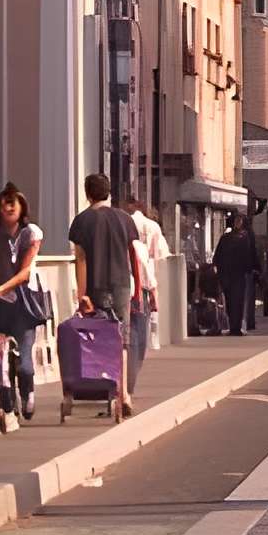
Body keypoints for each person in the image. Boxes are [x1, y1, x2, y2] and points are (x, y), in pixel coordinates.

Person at [68, 175, 141, 418]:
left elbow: (81, 260)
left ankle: (105, 388)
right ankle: (124, 394)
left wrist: (82, 295)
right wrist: (137, 288)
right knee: (121, 339)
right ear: (109, 192)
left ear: (87, 193)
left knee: (98, 339)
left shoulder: (81, 221)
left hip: (95, 287)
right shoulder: (125, 219)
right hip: (122, 284)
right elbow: (132, 255)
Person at [0, 184, 44, 431]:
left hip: (24, 303)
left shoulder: (31, 233)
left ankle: (28, 394)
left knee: (25, 362)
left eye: (12, 203)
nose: (8, 208)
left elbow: (25, 272)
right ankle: (8, 408)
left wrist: (3, 287)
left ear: (21, 207)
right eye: (3, 204)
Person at [125, 195, 173, 389]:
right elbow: (160, 255)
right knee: (138, 337)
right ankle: (130, 379)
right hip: (139, 291)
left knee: (122, 337)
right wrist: (154, 295)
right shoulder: (148, 233)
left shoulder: (117, 237)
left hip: (119, 290)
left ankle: (123, 379)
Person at [213, 215, 260, 335]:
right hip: (232, 274)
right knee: (233, 300)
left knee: (236, 300)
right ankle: (234, 326)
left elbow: (250, 255)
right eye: (236, 221)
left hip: (236, 274)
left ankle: (236, 327)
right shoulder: (231, 238)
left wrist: (253, 269)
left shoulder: (242, 237)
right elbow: (219, 255)